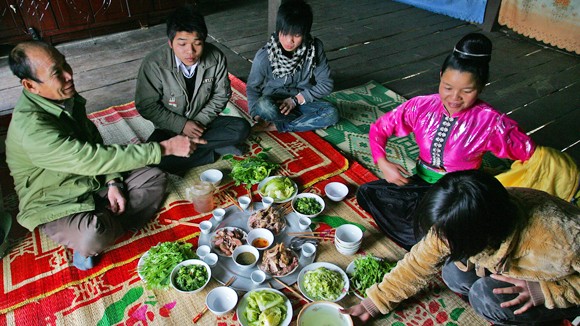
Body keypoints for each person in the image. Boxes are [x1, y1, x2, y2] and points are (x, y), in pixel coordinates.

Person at [6, 41, 201, 270]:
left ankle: (105, 219)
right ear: (30, 85)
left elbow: (94, 142)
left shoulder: (63, 97)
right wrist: (165, 148)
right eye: (56, 72)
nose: (69, 75)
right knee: (94, 235)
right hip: (56, 200)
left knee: (154, 178)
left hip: (93, 180)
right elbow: (89, 158)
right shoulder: (32, 128)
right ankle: (97, 229)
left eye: (64, 63)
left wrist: (113, 181)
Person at [357, 33, 536, 250]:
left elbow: (534, 156)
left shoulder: (491, 122)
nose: (454, 98)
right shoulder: (420, 106)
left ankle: (435, 241)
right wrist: (382, 162)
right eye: (447, 87)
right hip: (422, 184)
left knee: (443, 229)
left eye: (467, 91)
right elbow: (379, 129)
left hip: (458, 197)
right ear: (440, 76)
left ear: (481, 87)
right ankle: (431, 241)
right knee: (368, 193)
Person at [343, 170, 580, 325]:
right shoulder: (461, 213)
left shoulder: (561, 240)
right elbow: (418, 263)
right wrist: (371, 304)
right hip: (500, 259)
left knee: (485, 297)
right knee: (453, 273)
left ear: (483, 235)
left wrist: (546, 291)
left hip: (556, 280)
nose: (439, 242)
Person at [135, 5, 250, 175]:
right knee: (152, 158)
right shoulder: (154, 63)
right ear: (170, 42)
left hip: (203, 124)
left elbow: (221, 95)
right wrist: (181, 125)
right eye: (182, 44)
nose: (190, 51)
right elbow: (146, 105)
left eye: (197, 43)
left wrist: (197, 123)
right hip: (169, 129)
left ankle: (193, 153)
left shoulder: (215, 57)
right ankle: (213, 151)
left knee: (241, 128)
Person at [246, 0, 340, 133]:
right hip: (273, 102)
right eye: (285, 34)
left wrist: (295, 100)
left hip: (301, 101)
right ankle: (290, 121)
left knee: (331, 113)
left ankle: (278, 126)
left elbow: (326, 84)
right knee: (264, 106)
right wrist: (256, 115)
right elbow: (252, 87)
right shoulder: (264, 56)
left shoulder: (314, 49)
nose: (289, 41)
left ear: (305, 33)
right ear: (278, 31)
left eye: (297, 35)